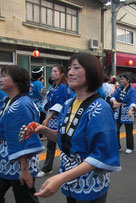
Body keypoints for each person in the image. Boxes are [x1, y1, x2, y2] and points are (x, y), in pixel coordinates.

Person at [24, 52, 120, 202]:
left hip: (89, 182)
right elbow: (66, 138)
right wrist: (43, 129)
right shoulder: (68, 104)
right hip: (70, 179)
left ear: (91, 73)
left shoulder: (100, 108)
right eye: (69, 68)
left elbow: (100, 154)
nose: (70, 72)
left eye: (76, 67)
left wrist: (61, 177)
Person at [0, 65, 44, 203]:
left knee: (25, 199)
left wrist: (24, 169)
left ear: (16, 81)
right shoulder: (8, 100)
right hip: (6, 158)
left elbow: (24, 137)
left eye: (4, 75)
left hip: (19, 162)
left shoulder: (21, 104)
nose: (0, 79)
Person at [37, 65, 72, 178]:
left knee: (61, 142)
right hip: (52, 117)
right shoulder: (54, 87)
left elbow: (59, 105)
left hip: (58, 118)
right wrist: (43, 95)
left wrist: (47, 118)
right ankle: (48, 167)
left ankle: (66, 165)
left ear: (62, 74)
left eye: (55, 71)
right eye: (52, 71)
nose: (52, 73)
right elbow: (49, 102)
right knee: (52, 144)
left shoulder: (62, 87)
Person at [111, 72, 136, 154]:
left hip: (128, 110)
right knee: (115, 128)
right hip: (119, 109)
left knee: (128, 130)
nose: (121, 80)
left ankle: (130, 147)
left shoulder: (132, 89)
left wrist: (130, 110)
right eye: (121, 79)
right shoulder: (119, 88)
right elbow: (113, 96)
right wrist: (114, 101)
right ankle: (117, 146)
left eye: (123, 79)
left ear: (128, 80)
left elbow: (133, 101)